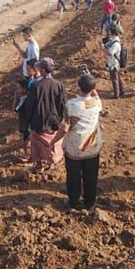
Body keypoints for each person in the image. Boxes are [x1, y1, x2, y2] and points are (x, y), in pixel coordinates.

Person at [52, 74, 104, 210]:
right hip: (92, 147)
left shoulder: (71, 105)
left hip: (74, 147)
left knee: (73, 177)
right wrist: (92, 86)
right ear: (93, 88)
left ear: (78, 86)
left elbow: (64, 128)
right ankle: (89, 203)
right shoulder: (97, 103)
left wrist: (53, 142)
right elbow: (95, 95)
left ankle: (73, 201)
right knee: (91, 177)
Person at [25, 58, 67, 173]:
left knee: (36, 142)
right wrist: (60, 118)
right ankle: (51, 162)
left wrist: (28, 119)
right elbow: (63, 103)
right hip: (53, 120)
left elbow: (30, 105)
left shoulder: (36, 86)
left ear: (43, 70)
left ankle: (39, 165)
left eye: (39, 67)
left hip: (39, 120)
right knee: (53, 141)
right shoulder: (59, 85)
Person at [103, 26, 125, 99]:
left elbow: (110, 53)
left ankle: (116, 95)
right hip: (113, 62)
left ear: (112, 33)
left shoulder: (116, 43)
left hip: (114, 63)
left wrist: (103, 49)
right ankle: (121, 91)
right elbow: (107, 45)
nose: (109, 34)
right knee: (117, 77)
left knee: (114, 79)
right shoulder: (113, 40)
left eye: (110, 32)